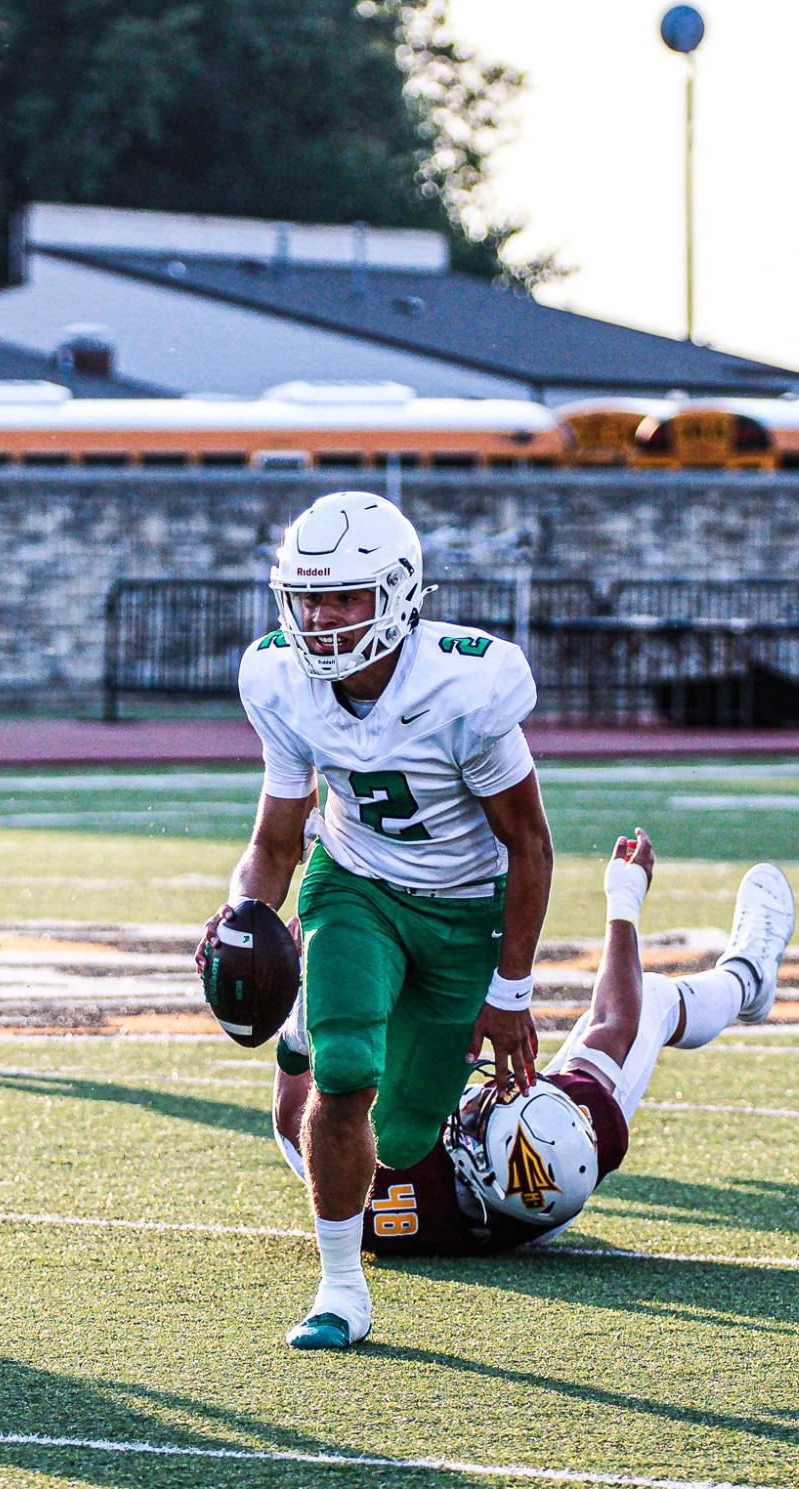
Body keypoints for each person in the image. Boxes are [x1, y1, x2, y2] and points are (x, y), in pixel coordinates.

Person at [196, 489, 553, 1351]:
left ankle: (304, 1037)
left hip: (464, 913)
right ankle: (340, 1288)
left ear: (396, 593)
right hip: (352, 886)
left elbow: (530, 846)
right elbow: (278, 839)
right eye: (306, 597)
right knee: (346, 1072)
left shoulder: (468, 682)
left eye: (342, 597)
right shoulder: (280, 679)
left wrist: (511, 990)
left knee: (398, 1136)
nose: (317, 619)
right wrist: (247, 910)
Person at [272, 832, 796, 1260]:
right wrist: (624, 903)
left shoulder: (385, 1185)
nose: (496, 1088)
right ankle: (748, 976)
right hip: (543, 1205)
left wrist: (308, 982)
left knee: (352, 1079)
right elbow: (616, 1019)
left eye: (483, 1114)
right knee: (653, 997)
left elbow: (291, 1115)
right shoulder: (584, 1142)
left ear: (470, 1160)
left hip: (457, 1189)